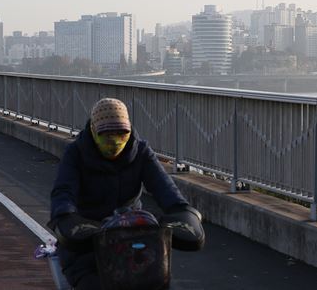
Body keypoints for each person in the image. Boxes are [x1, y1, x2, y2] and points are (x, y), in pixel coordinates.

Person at [48, 97, 204, 289]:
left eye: (121, 133)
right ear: (93, 131)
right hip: (88, 242)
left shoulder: (141, 152)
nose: (114, 140)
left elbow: (165, 188)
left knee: (157, 281)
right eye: (107, 134)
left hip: (133, 238)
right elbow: (63, 191)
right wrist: (65, 216)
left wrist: (182, 211)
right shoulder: (76, 153)